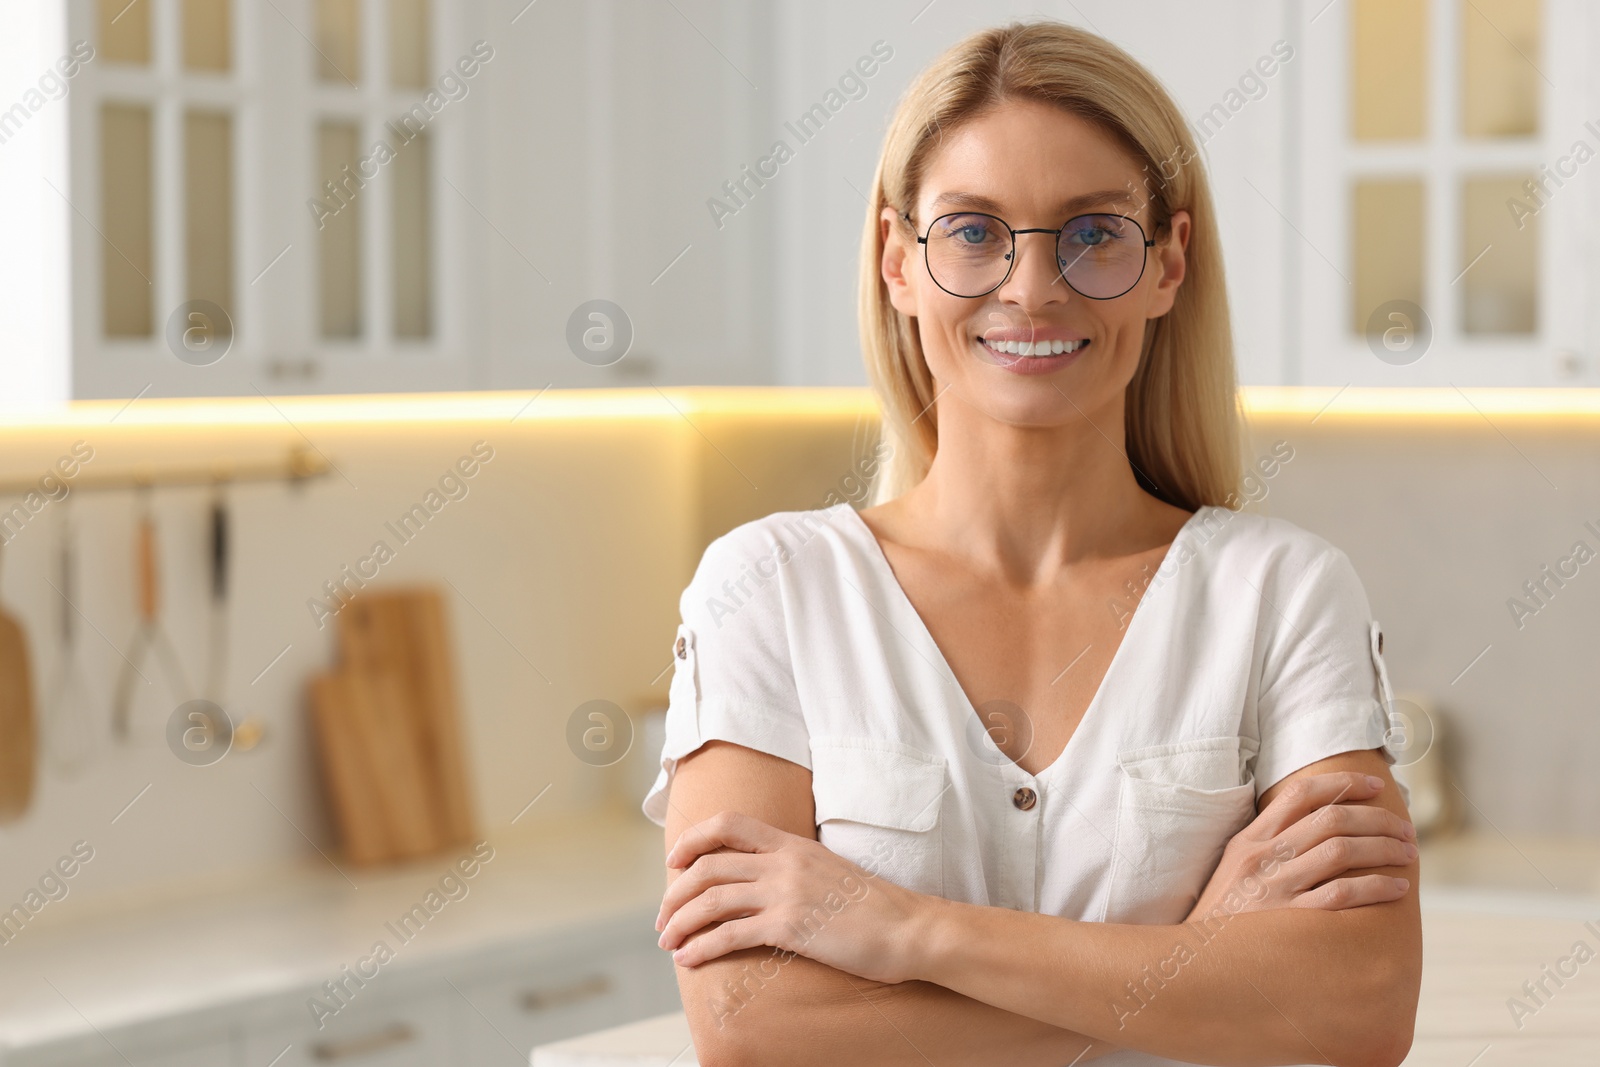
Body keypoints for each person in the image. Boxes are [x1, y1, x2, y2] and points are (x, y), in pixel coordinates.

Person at [644, 18, 1421, 1067]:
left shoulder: (1279, 591)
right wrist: (1193, 960)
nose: (1030, 287)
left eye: (1094, 232)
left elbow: (1353, 1008)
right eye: (972, 230)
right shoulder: (771, 586)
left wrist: (911, 930)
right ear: (896, 261)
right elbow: (750, 1029)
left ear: (1167, 263)